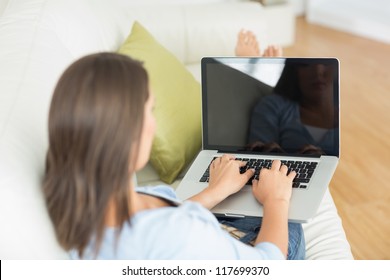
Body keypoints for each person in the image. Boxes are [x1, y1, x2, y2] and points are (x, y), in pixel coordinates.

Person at [43, 51, 305, 260]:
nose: (154, 124)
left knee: (239, 205)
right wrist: (277, 200)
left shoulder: (85, 200)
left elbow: (164, 226)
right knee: (293, 223)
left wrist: (215, 191)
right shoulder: (180, 233)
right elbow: (268, 263)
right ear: (125, 132)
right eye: (150, 110)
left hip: (199, 239)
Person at [248, 58, 338, 155]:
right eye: (306, 64)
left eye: (326, 63)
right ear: (294, 71)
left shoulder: (351, 116)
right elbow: (259, 159)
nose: (318, 71)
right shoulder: (275, 106)